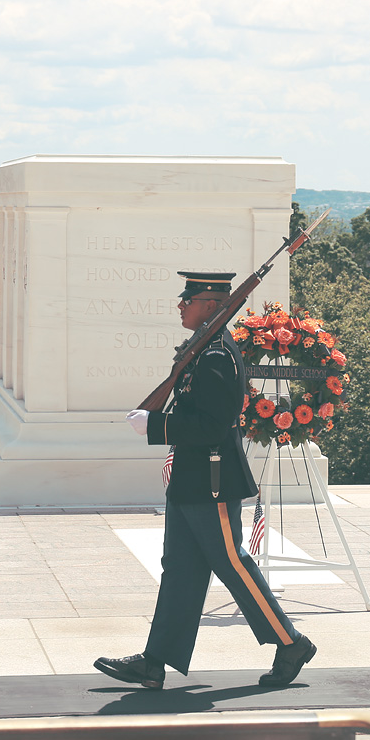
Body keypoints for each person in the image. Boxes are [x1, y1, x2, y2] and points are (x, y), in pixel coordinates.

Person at [94, 271, 316, 690]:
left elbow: (212, 426)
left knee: (232, 562)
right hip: (191, 478)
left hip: (212, 479)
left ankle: (291, 642)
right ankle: (156, 661)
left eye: (189, 299)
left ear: (212, 306)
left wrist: (158, 426)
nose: (181, 305)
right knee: (179, 569)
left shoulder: (216, 355)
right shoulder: (204, 350)